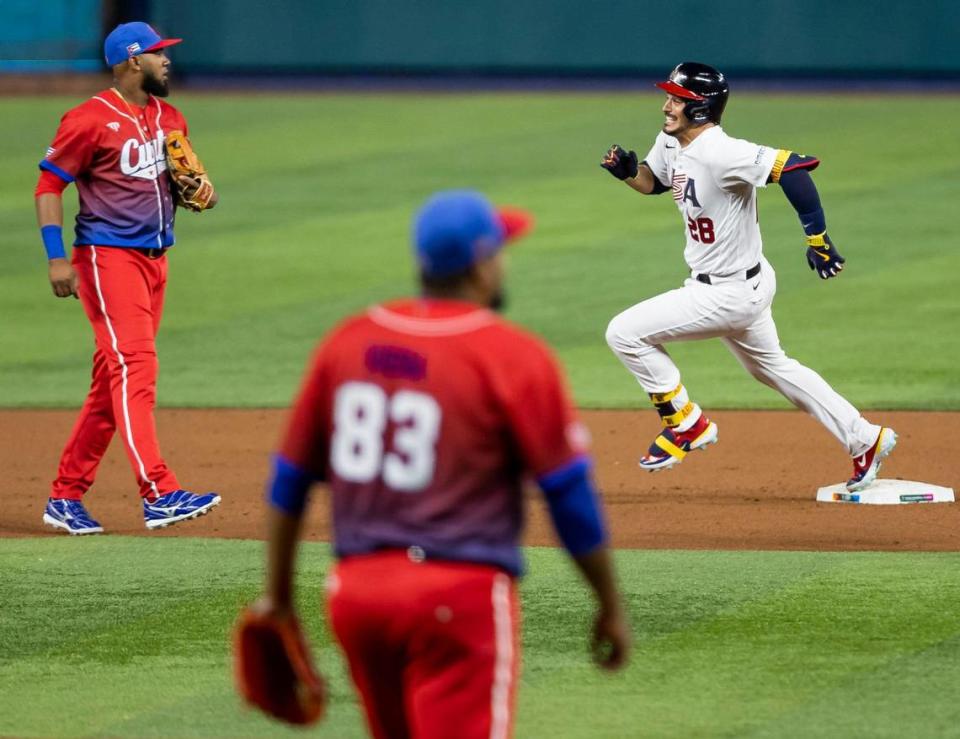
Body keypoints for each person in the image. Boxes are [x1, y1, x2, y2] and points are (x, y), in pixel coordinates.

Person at [253, 191, 631, 738]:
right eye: (501, 250)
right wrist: (609, 603)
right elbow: (568, 494)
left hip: (358, 598)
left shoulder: (349, 342)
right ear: (481, 265)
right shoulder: (511, 354)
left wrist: (280, 601)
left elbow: (289, 481)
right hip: (457, 598)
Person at [600, 62, 896, 492]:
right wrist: (629, 173)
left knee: (623, 333)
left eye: (676, 99)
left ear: (700, 109)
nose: (666, 105)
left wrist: (818, 238)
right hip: (739, 286)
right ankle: (864, 438)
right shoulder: (671, 141)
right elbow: (655, 183)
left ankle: (685, 423)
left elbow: (794, 168)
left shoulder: (723, 152)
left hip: (727, 293)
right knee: (774, 368)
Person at [36, 22, 221, 534]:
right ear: (132, 60)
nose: (168, 61)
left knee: (109, 382)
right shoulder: (88, 119)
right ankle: (159, 492)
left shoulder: (171, 116)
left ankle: (65, 496)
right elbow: (49, 186)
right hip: (105, 259)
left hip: (155, 263)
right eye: (160, 54)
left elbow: (183, 184)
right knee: (136, 366)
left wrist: (198, 191)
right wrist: (56, 259)